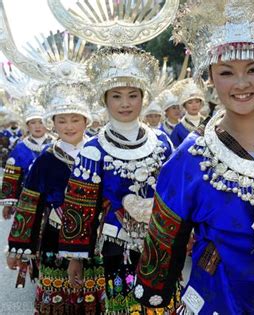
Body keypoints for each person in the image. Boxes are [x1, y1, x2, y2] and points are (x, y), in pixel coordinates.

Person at [133, 1, 254, 313]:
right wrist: (154, 294)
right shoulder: (190, 157)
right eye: (227, 72)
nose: (242, 84)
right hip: (219, 296)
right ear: (210, 78)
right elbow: (164, 240)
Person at [59, 46, 175, 314]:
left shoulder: (162, 142)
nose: (125, 103)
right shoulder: (93, 149)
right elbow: (80, 207)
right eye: (117, 96)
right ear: (105, 100)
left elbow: (175, 195)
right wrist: (74, 258)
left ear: (143, 98)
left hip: (161, 242)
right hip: (115, 245)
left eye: (133, 95)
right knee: (125, 306)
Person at [5, 81, 105, 314]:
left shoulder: (99, 154)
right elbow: (30, 205)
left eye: (75, 119)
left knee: (93, 300)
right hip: (54, 238)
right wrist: (18, 249)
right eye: (62, 120)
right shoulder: (46, 159)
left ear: (86, 121)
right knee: (57, 301)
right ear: (53, 123)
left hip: (94, 239)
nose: (69, 126)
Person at [1, 105, 53, 219]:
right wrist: (8, 204)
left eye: (41, 122)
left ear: (48, 124)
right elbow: (11, 177)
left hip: (53, 201)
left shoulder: (56, 146)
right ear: (27, 125)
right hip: (26, 200)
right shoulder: (20, 148)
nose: (38, 126)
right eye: (33, 122)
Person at [169, 78, 206, 147]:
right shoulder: (179, 128)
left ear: (201, 103)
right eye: (190, 102)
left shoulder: (208, 124)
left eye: (197, 102)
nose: (194, 105)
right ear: (184, 105)